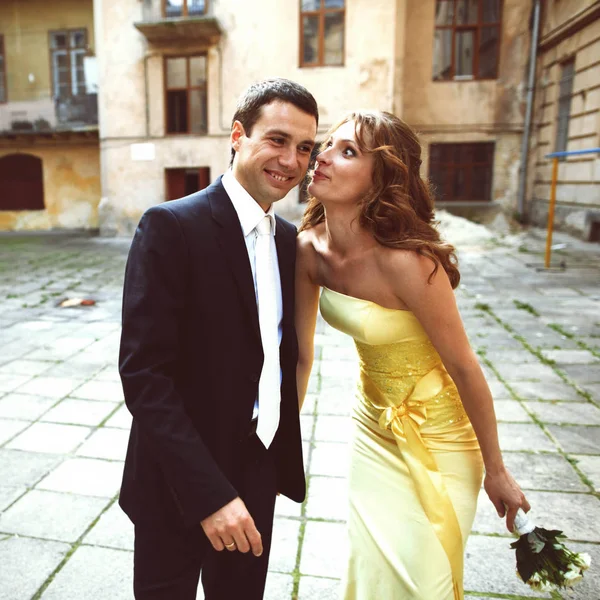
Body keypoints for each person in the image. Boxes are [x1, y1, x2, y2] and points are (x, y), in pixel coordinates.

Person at [295, 110, 530, 600]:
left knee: (424, 583)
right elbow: (301, 357)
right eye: (328, 145)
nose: (322, 157)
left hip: (441, 437)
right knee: (373, 574)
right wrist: (281, 445)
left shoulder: (409, 263)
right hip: (373, 431)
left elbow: (465, 367)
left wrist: (497, 469)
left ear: (380, 179)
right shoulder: (307, 252)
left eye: (348, 151)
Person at [118, 78, 318, 599]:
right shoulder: (170, 226)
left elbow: (280, 356)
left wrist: (268, 457)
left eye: (304, 148)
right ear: (237, 135)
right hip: (176, 478)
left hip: (256, 468)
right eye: (277, 140)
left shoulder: (289, 242)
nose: (291, 161)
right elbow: (144, 377)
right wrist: (209, 495)